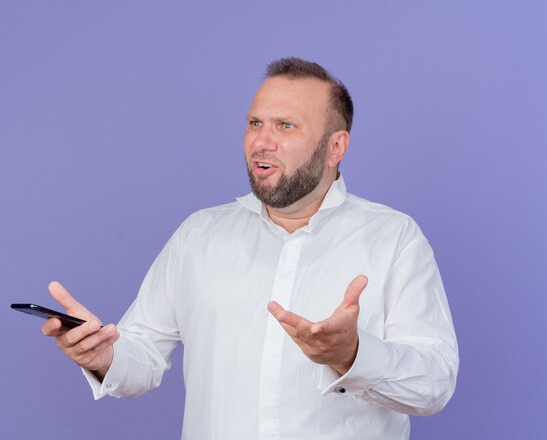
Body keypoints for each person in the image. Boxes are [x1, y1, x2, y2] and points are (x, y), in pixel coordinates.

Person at [42, 57, 459, 439]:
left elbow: (434, 385)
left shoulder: (394, 238)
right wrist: (102, 354)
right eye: (255, 123)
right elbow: (142, 358)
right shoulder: (199, 235)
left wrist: (353, 354)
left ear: (336, 147)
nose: (262, 141)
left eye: (286, 126)